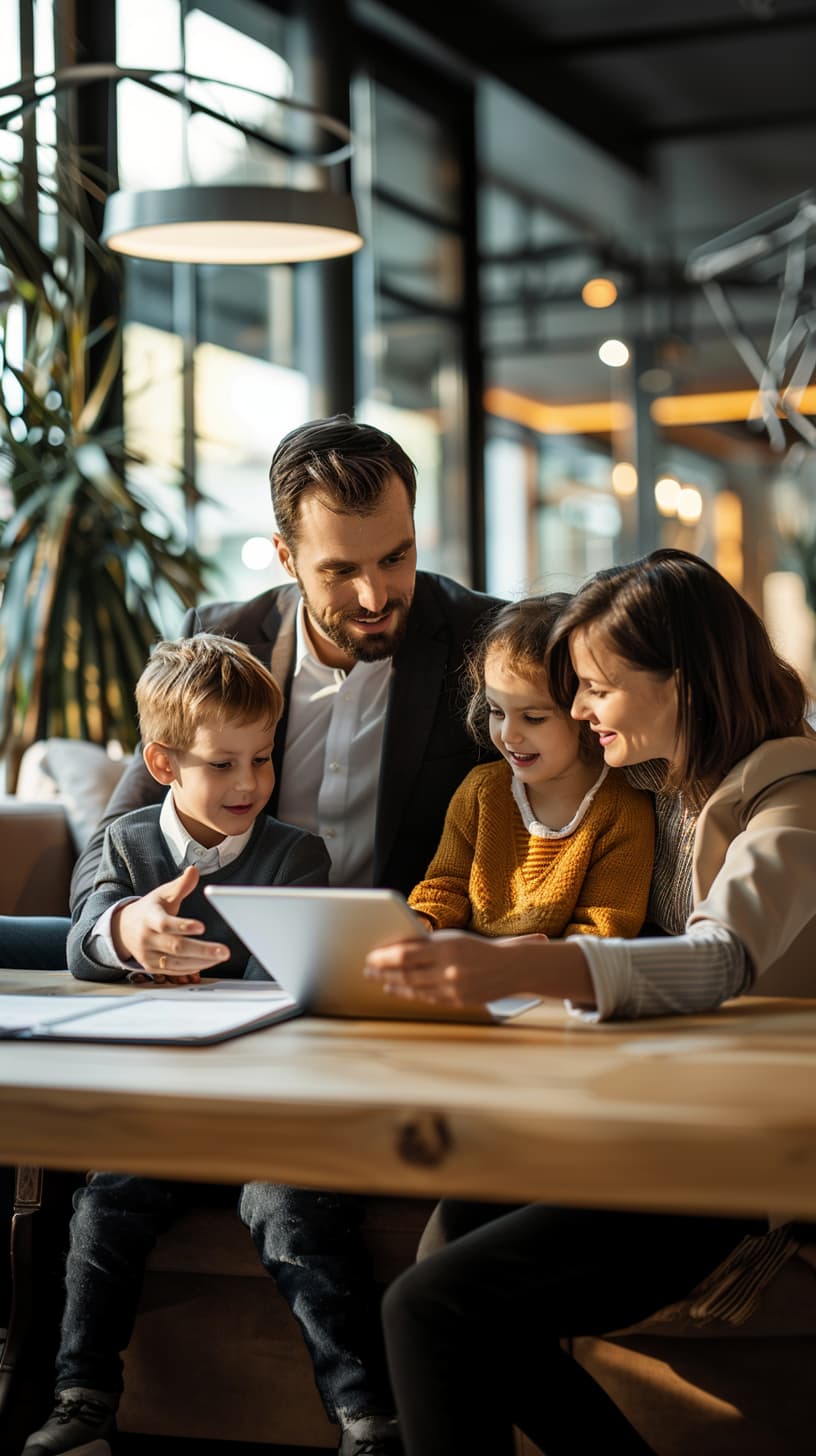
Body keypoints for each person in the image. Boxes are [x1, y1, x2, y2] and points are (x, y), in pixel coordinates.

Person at [13, 415, 500, 1456]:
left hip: (378, 992)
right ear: (283, 556)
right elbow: (123, 837)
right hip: (225, 987)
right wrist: (126, 922)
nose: (377, 595)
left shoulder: (478, 642)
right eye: (342, 569)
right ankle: (54, 1406)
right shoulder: (221, 629)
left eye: (398, 557)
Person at [366, 547, 816, 1456]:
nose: (576, 710)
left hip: (733, 1165)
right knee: (443, 1263)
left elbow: (718, 960)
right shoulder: (678, 785)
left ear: (681, 683)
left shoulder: (794, 798)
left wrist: (522, 970)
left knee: (431, 1306)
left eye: (597, 689)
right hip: (665, 1121)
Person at [22, 633, 333, 1456]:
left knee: (294, 1215)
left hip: (260, 1111)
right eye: (222, 764)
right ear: (163, 763)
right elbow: (83, 934)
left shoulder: (296, 856)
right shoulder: (123, 845)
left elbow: (296, 985)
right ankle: (82, 1401)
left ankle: (368, 1416)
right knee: (102, 1208)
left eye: (262, 760)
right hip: (159, 1111)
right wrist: (127, 929)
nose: (249, 784)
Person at [407, 594, 654, 941]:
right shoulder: (481, 790)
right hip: (473, 975)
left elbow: (603, 928)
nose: (508, 734)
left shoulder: (621, 810)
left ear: (584, 712)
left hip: (557, 983)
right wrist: (422, 921)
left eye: (533, 718)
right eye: (496, 712)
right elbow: (446, 886)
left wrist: (529, 963)